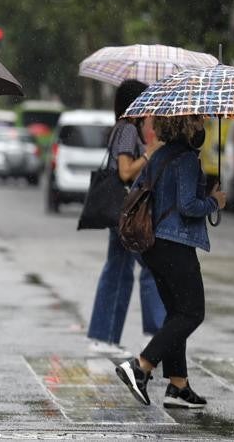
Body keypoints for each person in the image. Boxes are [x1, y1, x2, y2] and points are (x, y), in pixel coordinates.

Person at [116, 115, 225, 409]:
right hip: (175, 245)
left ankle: (178, 385)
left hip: (153, 245)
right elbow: (188, 206)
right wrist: (215, 201)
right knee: (192, 313)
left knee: (176, 312)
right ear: (186, 126)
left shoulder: (159, 154)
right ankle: (141, 366)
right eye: (198, 122)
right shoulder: (187, 159)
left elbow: (145, 191)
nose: (202, 126)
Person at [85, 79, 166, 356]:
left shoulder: (124, 128)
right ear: (136, 102)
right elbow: (124, 172)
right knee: (150, 267)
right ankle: (153, 334)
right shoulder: (128, 129)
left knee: (118, 271)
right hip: (127, 212)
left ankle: (103, 337)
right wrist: (150, 154)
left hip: (120, 211)